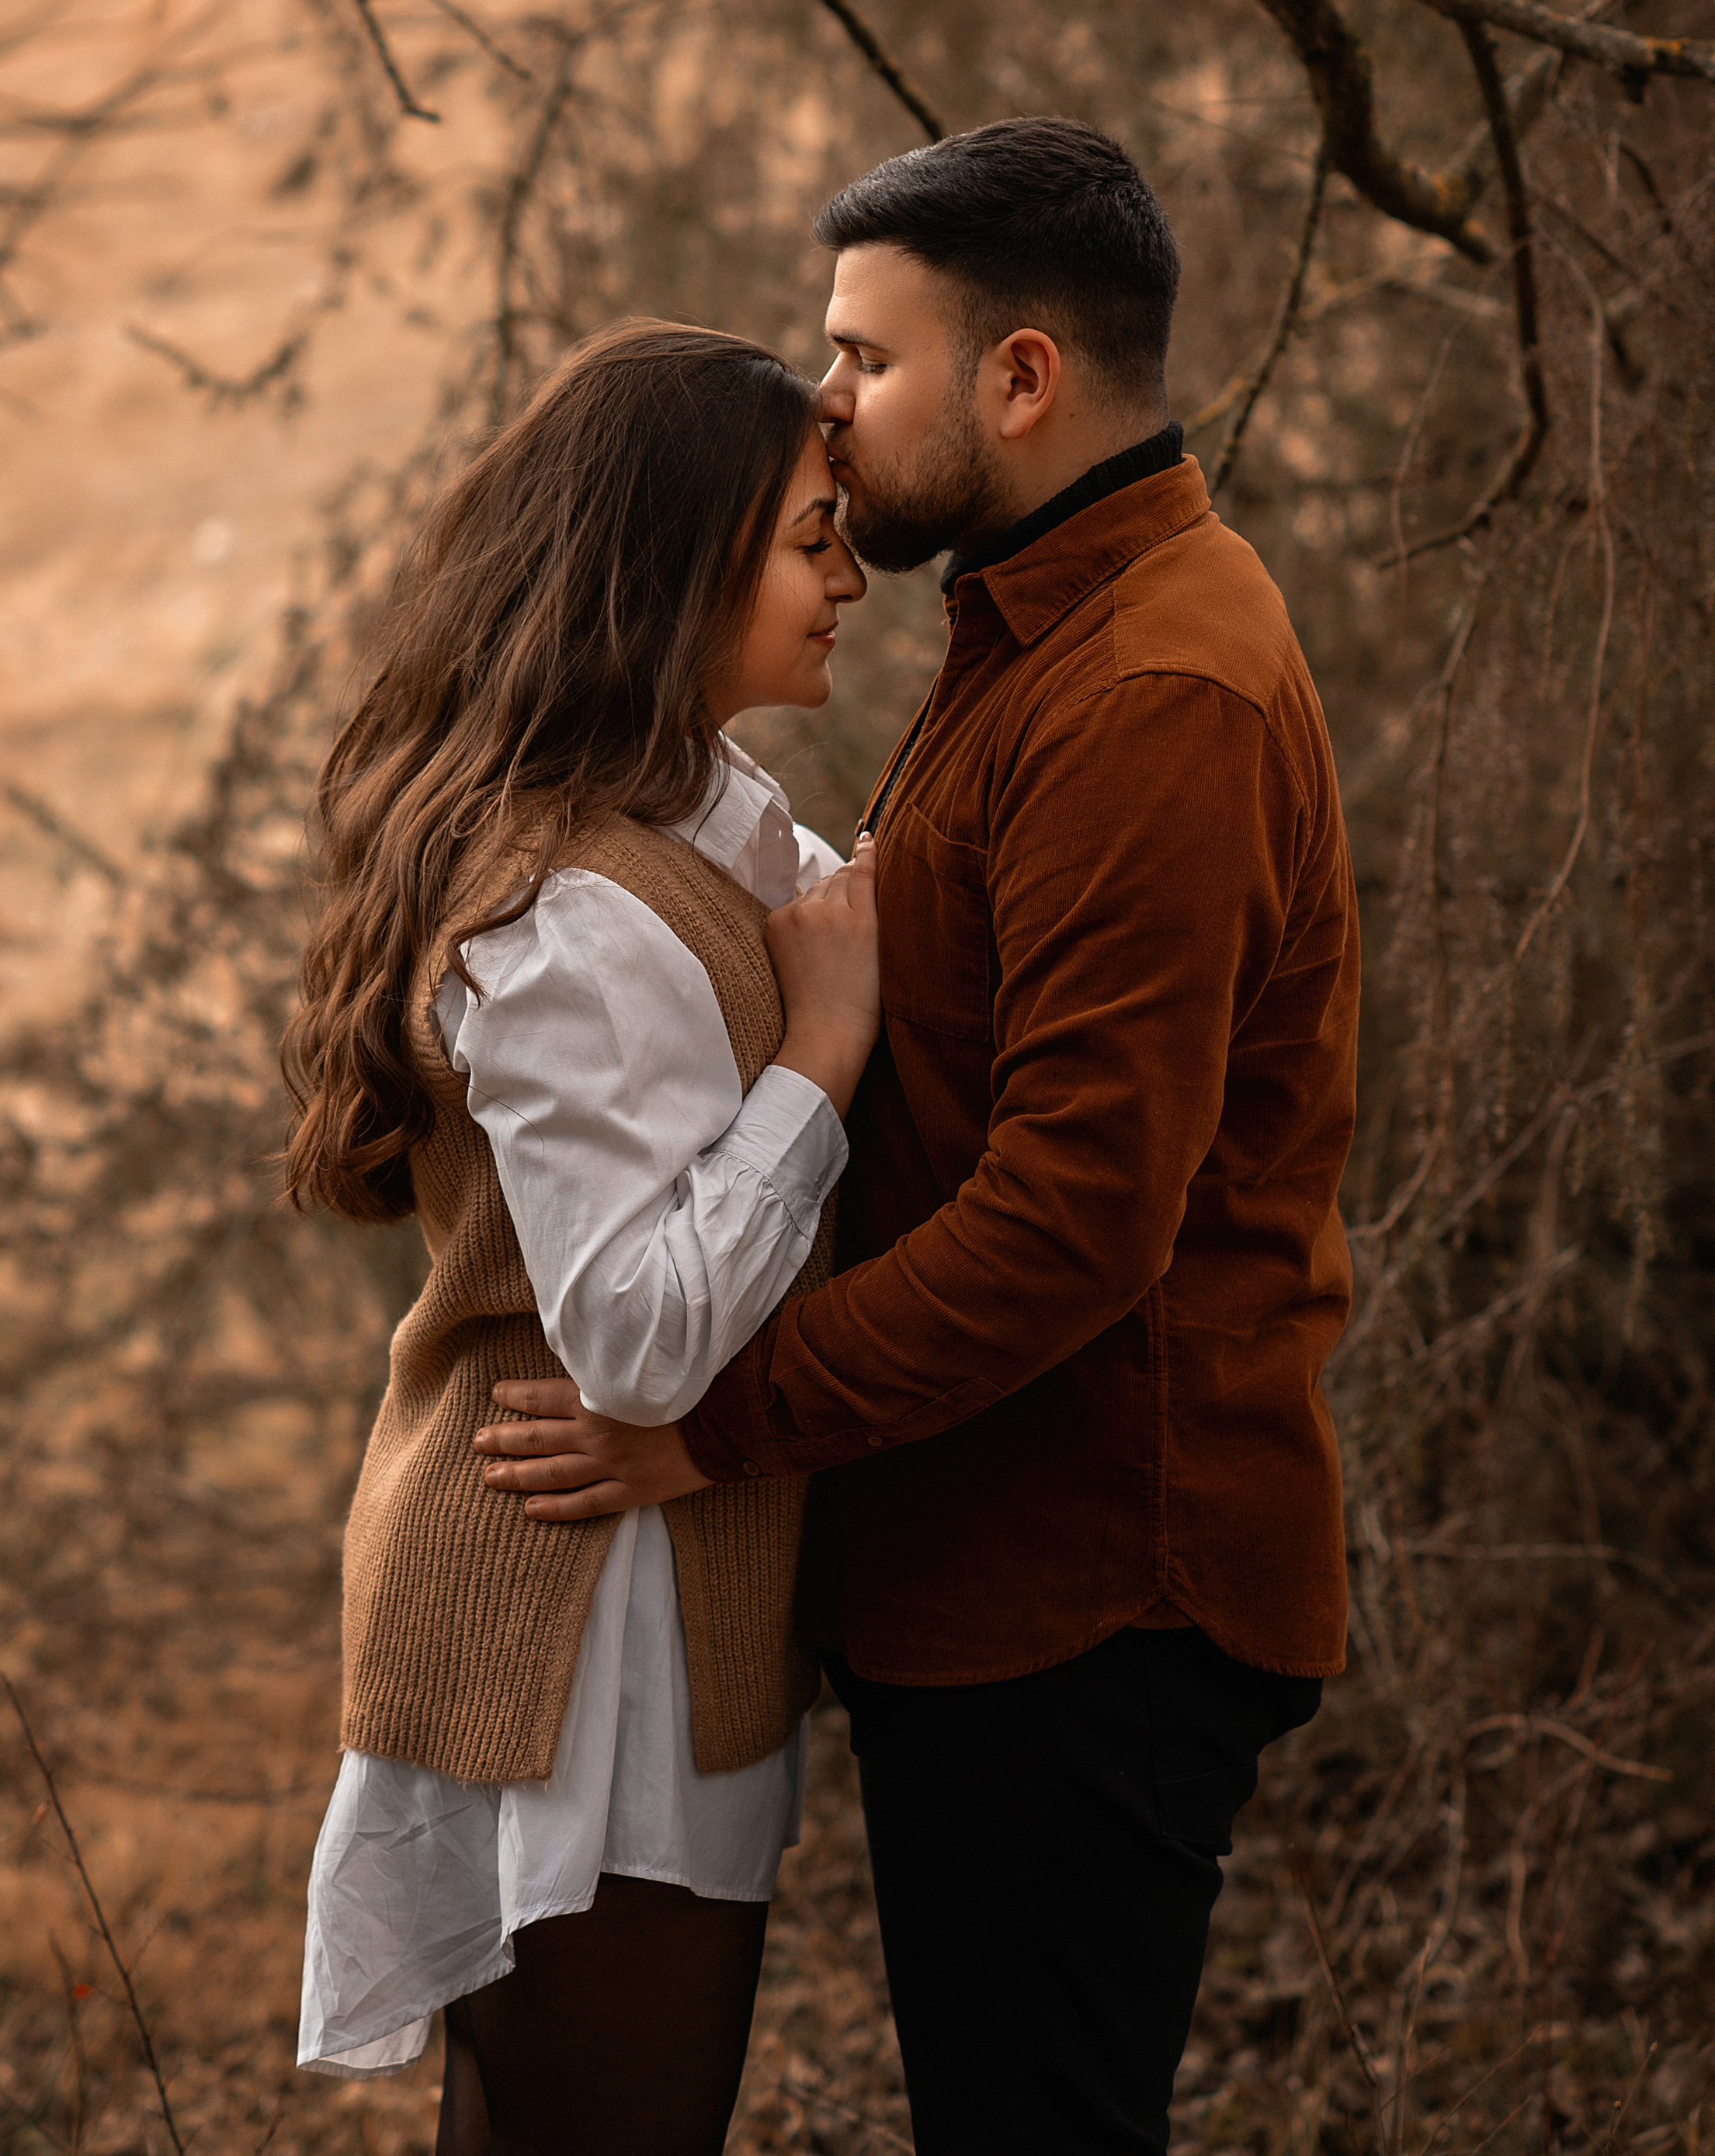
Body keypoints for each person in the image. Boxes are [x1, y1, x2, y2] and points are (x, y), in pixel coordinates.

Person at [474, 118, 1361, 2156]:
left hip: (1095, 1590)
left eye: (865, 360)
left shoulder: (1157, 693)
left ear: (1022, 378)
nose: (831, 409)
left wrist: (708, 1423)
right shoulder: (1041, 634)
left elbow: (1073, 1223)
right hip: (998, 1569)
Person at [279, 320, 882, 2156]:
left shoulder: (693, 808)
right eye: (808, 535)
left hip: (640, 1589)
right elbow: (630, 1337)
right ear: (673, 564)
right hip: (572, 1628)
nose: (849, 573)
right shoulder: (563, 919)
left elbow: (792, 899)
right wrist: (831, 1046)